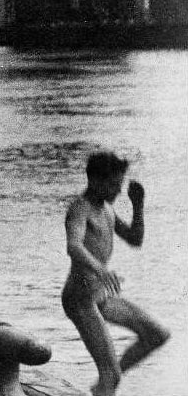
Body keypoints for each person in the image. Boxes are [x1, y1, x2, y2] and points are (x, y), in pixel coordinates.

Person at [62, 151, 170, 395]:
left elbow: (135, 239)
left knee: (157, 334)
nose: (118, 191)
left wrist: (138, 205)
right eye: (113, 184)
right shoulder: (80, 209)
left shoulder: (107, 210)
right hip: (80, 300)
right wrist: (100, 269)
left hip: (101, 296)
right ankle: (107, 381)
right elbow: (74, 246)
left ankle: (104, 385)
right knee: (111, 374)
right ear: (96, 181)